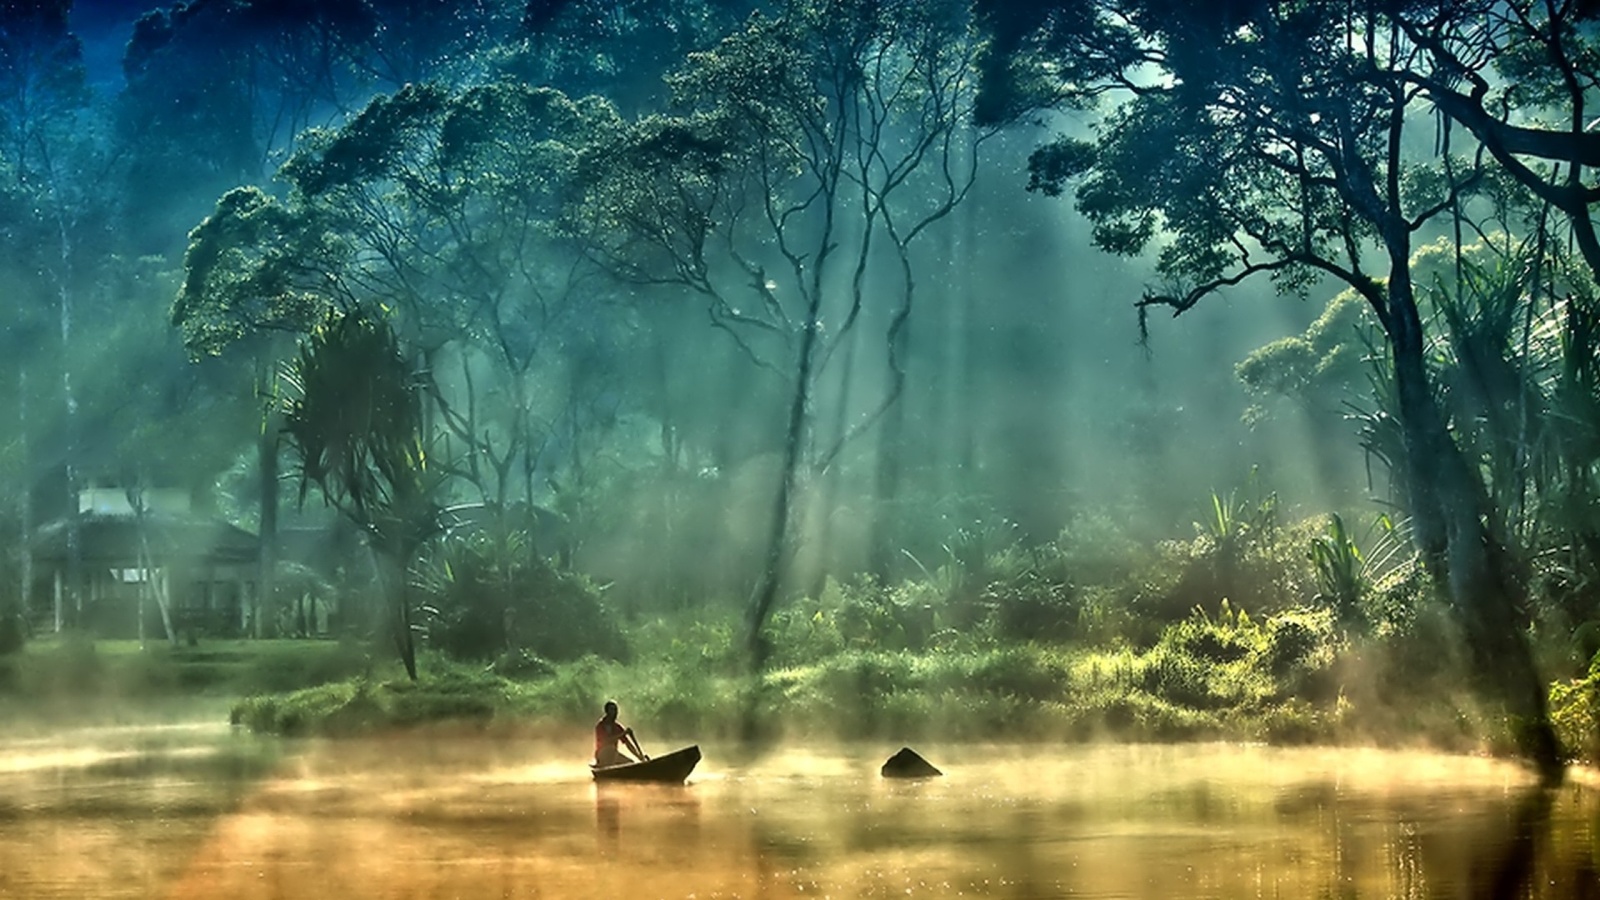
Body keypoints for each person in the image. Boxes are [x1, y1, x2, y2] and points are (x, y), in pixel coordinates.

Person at [593, 700, 648, 767]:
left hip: (614, 755)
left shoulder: (617, 727)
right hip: (602, 755)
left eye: (616, 710)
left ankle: (614, 767)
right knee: (611, 748)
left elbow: (628, 744)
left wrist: (640, 757)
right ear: (607, 711)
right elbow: (605, 741)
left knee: (630, 763)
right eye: (612, 710)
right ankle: (603, 765)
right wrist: (623, 734)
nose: (615, 712)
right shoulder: (600, 726)